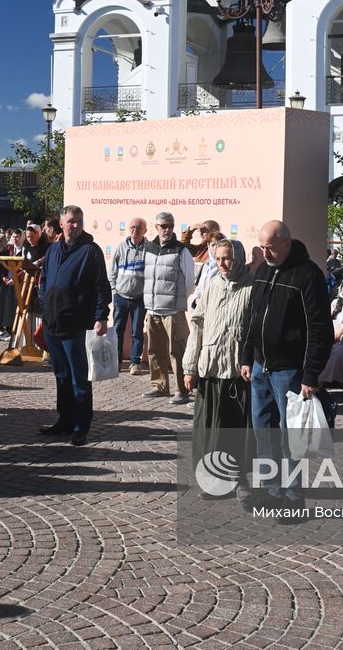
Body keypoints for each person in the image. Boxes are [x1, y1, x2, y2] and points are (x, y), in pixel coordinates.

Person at [239, 220, 333, 517]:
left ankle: (293, 496)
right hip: (259, 368)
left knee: (291, 438)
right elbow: (252, 317)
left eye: (270, 248)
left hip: (290, 371)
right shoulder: (263, 271)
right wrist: (246, 356)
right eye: (261, 247)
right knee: (263, 433)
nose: (265, 253)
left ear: (287, 243)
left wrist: (311, 373)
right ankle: (270, 490)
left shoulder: (308, 275)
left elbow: (319, 328)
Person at [183, 238, 254, 495]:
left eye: (227, 259)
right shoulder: (212, 286)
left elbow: (254, 330)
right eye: (219, 259)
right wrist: (190, 367)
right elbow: (198, 326)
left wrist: (250, 361)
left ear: (238, 259)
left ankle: (239, 479)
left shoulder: (252, 288)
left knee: (236, 431)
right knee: (210, 431)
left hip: (237, 372)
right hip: (211, 368)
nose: (222, 264)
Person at [38, 205, 111, 446]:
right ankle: (65, 420)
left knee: (79, 378)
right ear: (61, 224)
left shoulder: (91, 251)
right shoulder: (53, 249)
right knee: (61, 376)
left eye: (79, 221)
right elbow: (44, 281)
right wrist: (44, 306)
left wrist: (101, 316)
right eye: (71, 221)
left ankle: (81, 426)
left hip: (77, 324)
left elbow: (101, 287)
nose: (75, 225)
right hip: (53, 323)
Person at [141, 212, 197, 404]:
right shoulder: (148, 248)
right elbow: (147, 276)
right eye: (163, 226)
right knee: (154, 350)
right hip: (152, 309)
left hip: (173, 310)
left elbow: (189, 280)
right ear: (156, 227)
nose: (167, 229)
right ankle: (159, 385)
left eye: (170, 226)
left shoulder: (182, 250)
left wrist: (178, 300)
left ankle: (182, 390)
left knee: (177, 351)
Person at [109, 217, 147, 376]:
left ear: (145, 230)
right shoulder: (121, 247)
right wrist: (114, 291)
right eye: (132, 227)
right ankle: (116, 361)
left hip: (139, 298)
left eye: (139, 228)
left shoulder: (150, 249)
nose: (135, 230)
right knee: (118, 330)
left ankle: (135, 362)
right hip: (121, 296)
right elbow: (112, 271)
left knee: (137, 332)